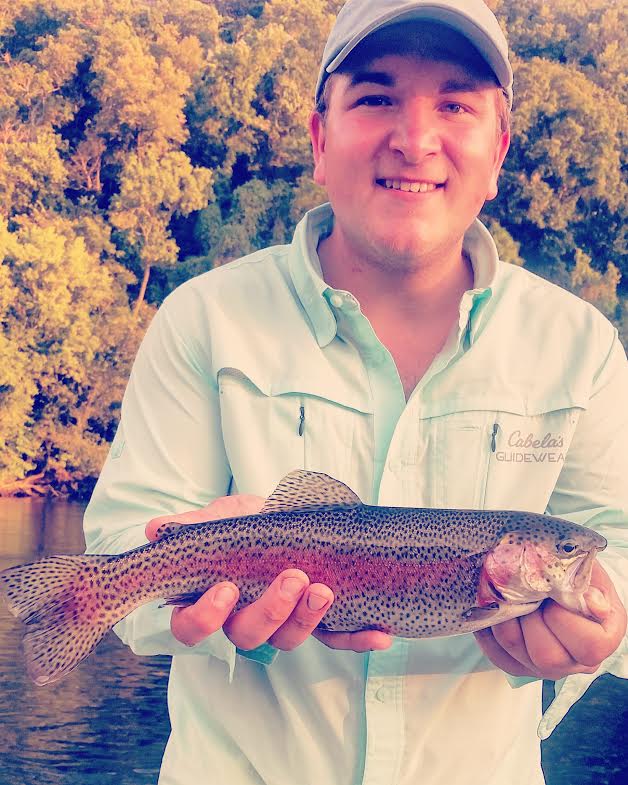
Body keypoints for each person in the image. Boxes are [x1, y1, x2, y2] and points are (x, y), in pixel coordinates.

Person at [83, 1, 628, 783]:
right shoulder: (203, 317)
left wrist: (606, 629)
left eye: (456, 104)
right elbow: (117, 562)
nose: (415, 138)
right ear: (319, 138)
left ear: (500, 149)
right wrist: (189, 601)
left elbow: (621, 552)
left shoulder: (583, 348)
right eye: (375, 98)